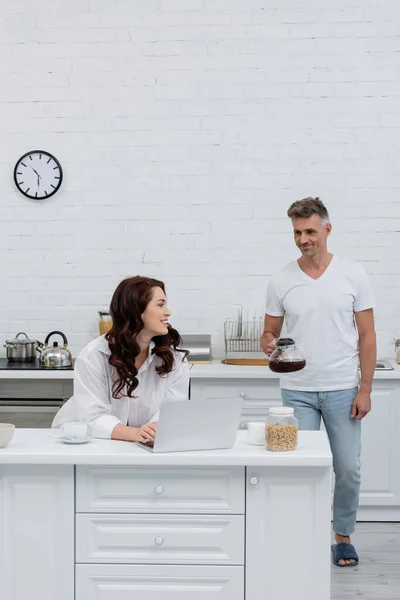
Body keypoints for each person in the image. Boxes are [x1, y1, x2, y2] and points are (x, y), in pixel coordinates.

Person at [261, 197, 376, 567]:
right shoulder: (280, 279)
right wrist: (267, 343)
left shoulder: (353, 274)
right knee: (298, 468)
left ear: (327, 229)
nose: (303, 239)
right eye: (297, 232)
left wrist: (365, 388)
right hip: (297, 389)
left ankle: (342, 536)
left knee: (348, 468)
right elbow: (270, 333)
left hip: (343, 387)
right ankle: (300, 534)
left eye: (310, 231)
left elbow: (368, 336)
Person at [52, 276, 189, 444]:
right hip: (83, 443)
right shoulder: (93, 356)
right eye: (160, 305)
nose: (168, 312)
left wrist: (151, 433)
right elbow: (93, 417)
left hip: (141, 446)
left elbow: (171, 412)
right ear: (136, 310)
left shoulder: (175, 359)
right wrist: (137, 434)